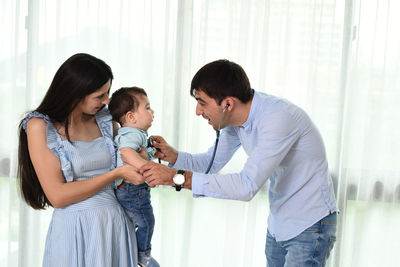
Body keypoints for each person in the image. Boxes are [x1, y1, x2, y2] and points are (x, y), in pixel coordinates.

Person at [140, 59, 338, 266]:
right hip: (279, 223)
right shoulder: (235, 121)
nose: (198, 111)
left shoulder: (277, 118)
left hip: (310, 224)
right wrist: (173, 156)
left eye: (202, 102)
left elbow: (246, 186)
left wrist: (175, 178)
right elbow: (211, 162)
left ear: (227, 104)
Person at [17, 53, 144, 267]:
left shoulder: (106, 121)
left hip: (114, 224)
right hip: (74, 227)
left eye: (108, 93)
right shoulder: (39, 126)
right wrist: (115, 174)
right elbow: (57, 196)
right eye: (100, 95)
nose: (107, 101)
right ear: (75, 93)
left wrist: (141, 158)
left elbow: (126, 163)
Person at [108, 87, 160, 267]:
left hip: (132, 189)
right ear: (131, 117)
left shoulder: (135, 134)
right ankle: (142, 254)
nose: (152, 112)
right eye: (147, 107)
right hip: (132, 189)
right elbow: (127, 153)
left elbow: (136, 152)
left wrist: (152, 151)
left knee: (138, 222)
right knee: (147, 221)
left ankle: (134, 251)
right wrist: (147, 168)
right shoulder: (131, 134)